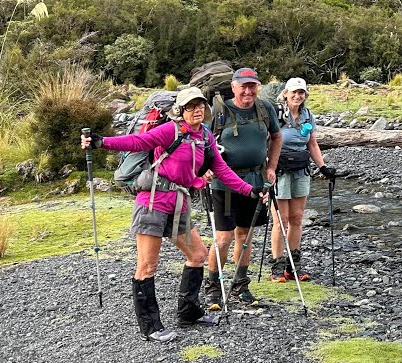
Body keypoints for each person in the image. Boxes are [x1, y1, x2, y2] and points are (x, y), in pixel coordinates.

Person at [81, 87, 265, 342]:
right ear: (181, 110)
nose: (197, 110)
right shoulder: (171, 130)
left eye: (200, 105)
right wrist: (103, 142)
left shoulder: (205, 136)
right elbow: (139, 142)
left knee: (198, 255)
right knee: (147, 265)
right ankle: (150, 327)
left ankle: (189, 313)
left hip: (179, 203)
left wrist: (249, 190)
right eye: (191, 106)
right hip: (153, 202)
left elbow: (221, 169)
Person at [201, 67, 281, 309]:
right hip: (223, 183)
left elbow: (276, 137)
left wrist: (271, 167)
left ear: (258, 87)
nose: (248, 91)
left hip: (255, 181)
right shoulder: (219, 111)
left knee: (245, 236)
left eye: (252, 86)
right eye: (243, 86)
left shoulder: (265, 108)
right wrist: (204, 167)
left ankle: (240, 285)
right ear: (233, 86)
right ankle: (213, 287)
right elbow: (201, 140)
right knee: (223, 238)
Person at [270, 77, 335, 282]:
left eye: (301, 92)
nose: (297, 96)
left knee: (297, 218)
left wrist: (323, 167)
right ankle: (277, 267)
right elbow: (267, 141)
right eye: (294, 92)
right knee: (281, 220)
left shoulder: (307, 115)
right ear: (285, 94)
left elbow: (312, 144)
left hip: (301, 170)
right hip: (279, 170)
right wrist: (268, 169)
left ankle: (293, 266)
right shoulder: (276, 115)